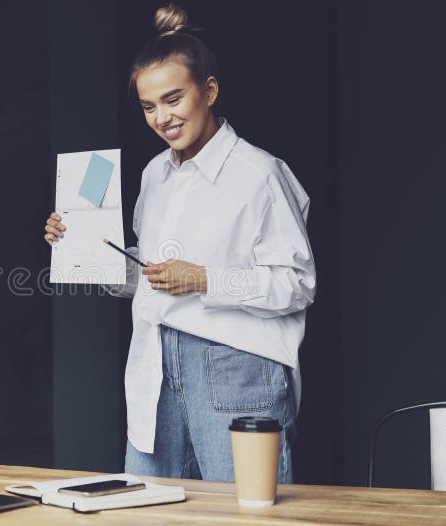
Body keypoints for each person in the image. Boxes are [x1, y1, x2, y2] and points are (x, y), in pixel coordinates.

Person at [43, 4, 315, 483]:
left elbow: (297, 284)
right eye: (149, 106)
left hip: (236, 364)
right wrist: (82, 245)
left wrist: (204, 279)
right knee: (150, 512)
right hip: (154, 366)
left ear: (208, 91)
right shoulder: (155, 174)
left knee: (246, 519)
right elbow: (149, 277)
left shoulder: (259, 174)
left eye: (173, 99)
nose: (161, 118)